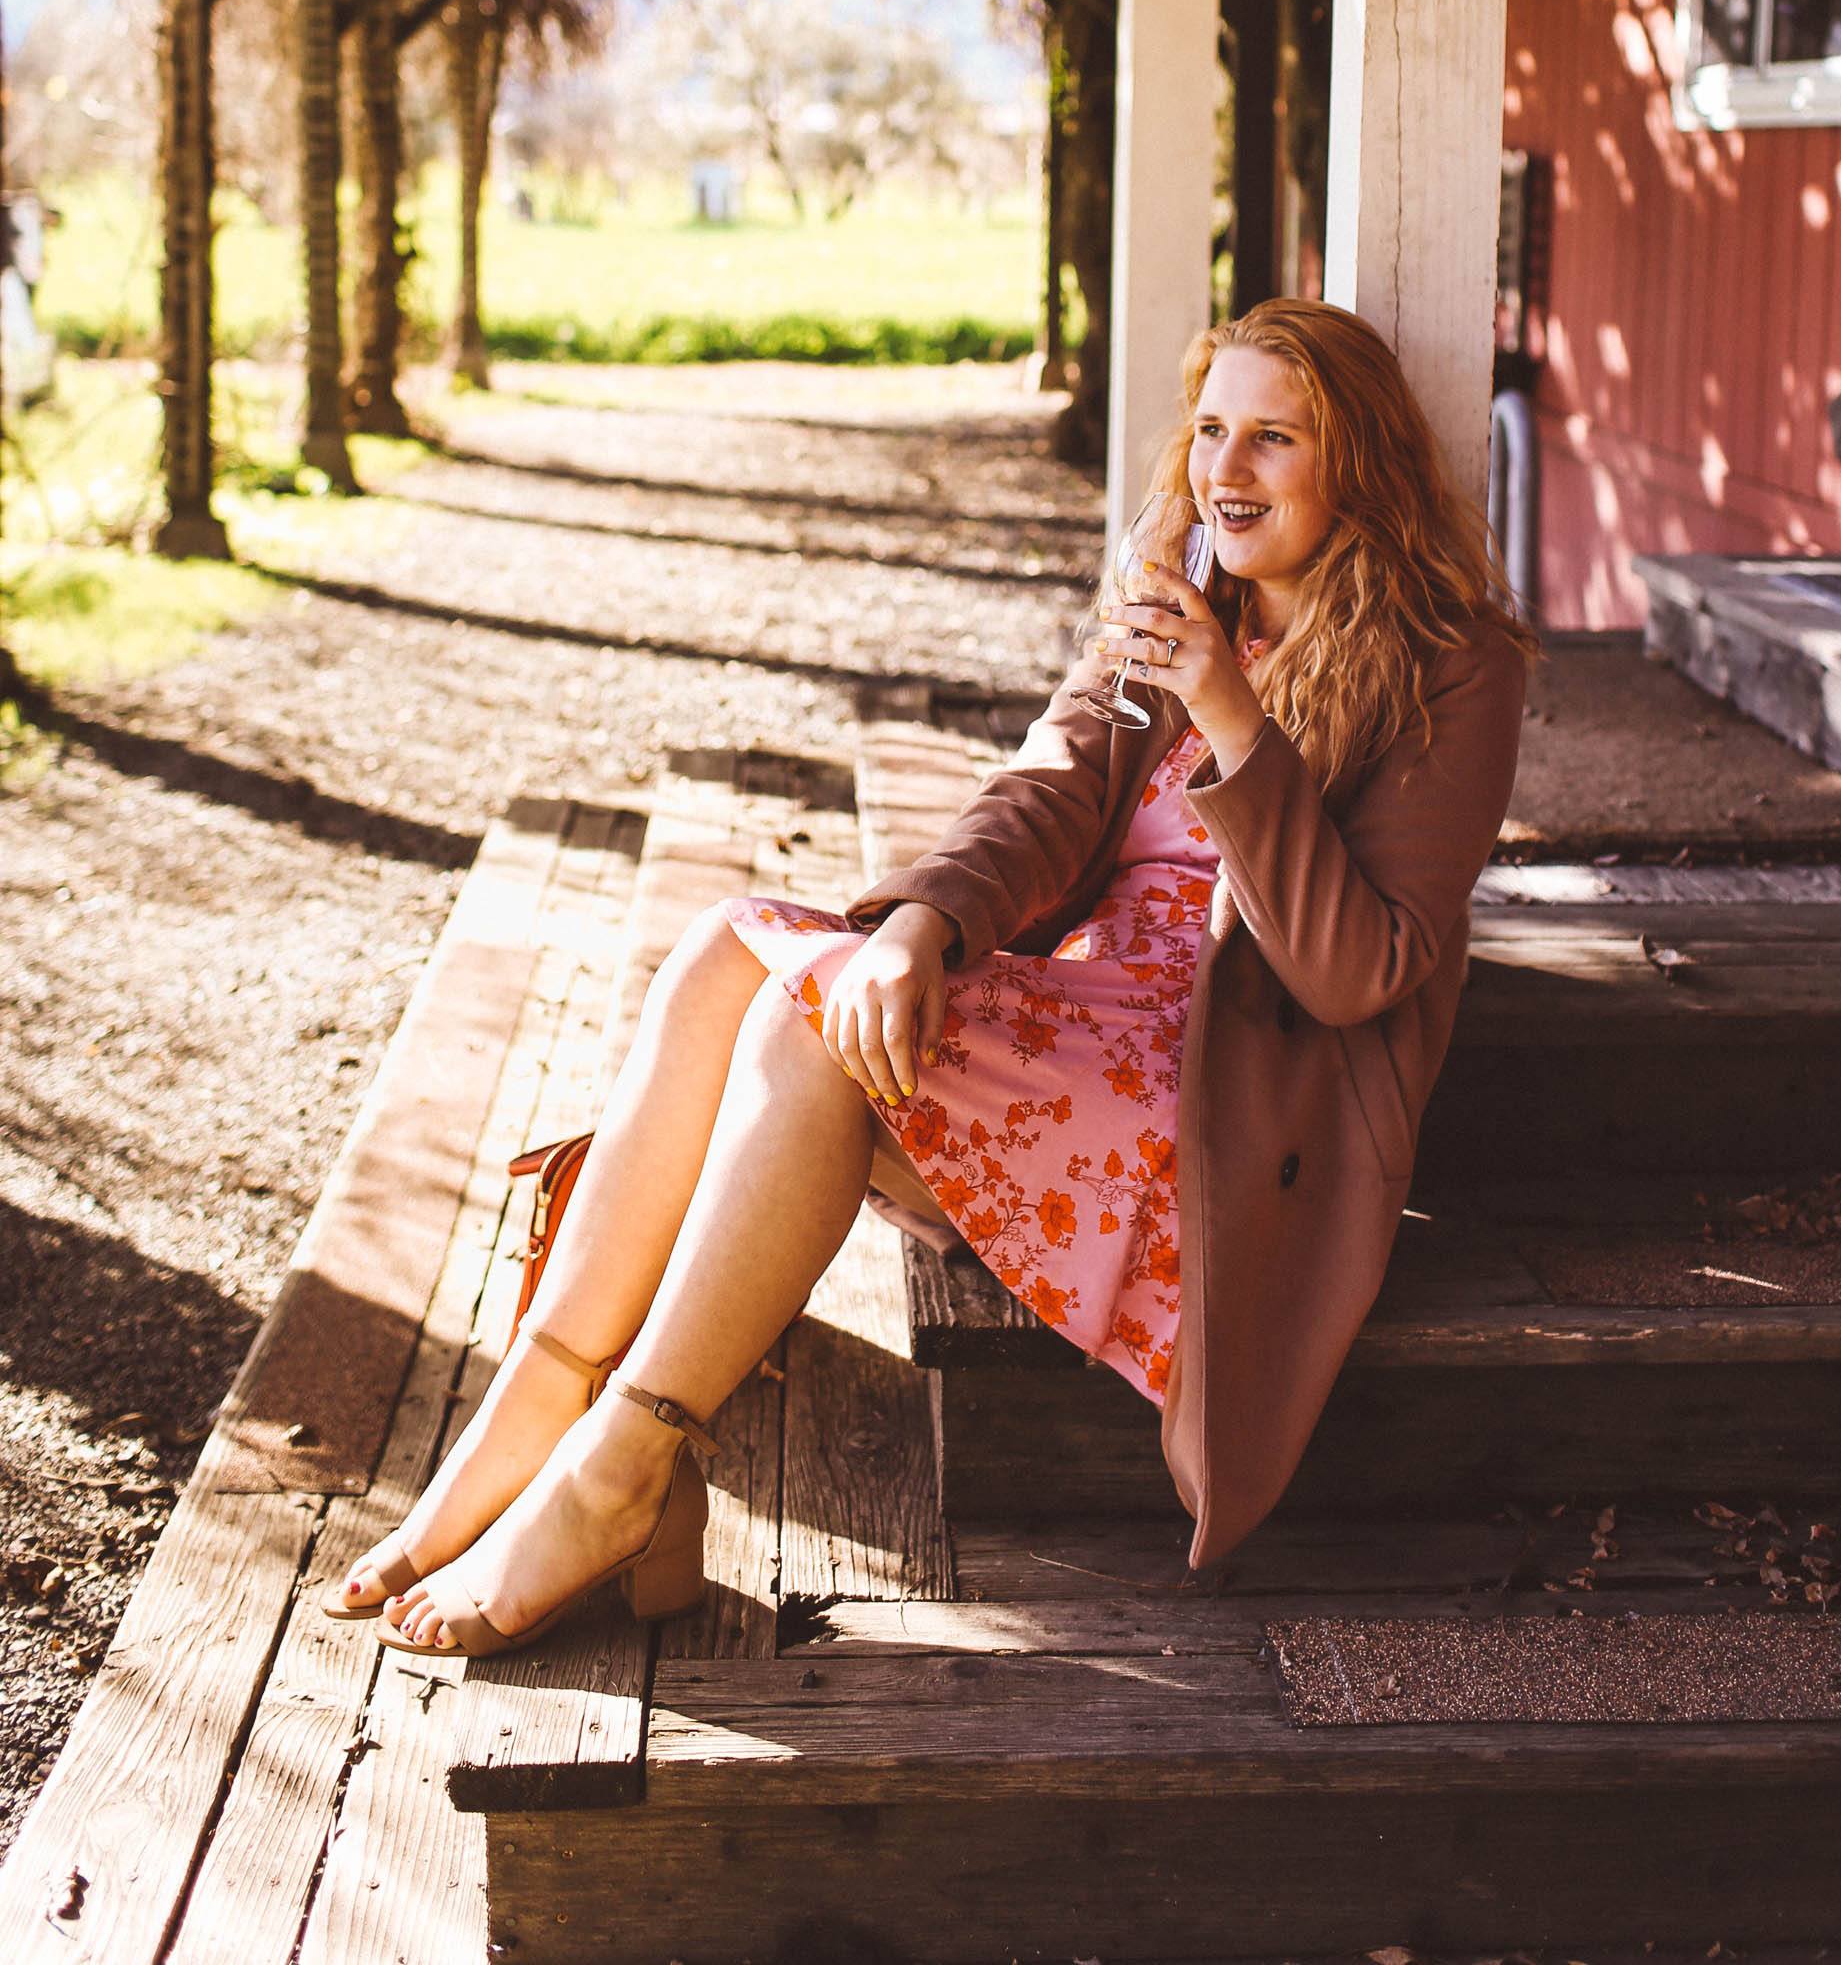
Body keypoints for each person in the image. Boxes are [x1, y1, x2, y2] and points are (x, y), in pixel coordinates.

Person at [337, 297, 1533, 1657]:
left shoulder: (1455, 668)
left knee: (805, 1035)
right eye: (1210, 431)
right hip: (1084, 1032)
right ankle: (544, 1426)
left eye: (1275, 437)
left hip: (1226, 1097)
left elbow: (1357, 973)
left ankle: (619, 1467)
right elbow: (1043, 794)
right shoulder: (1183, 604)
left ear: (1360, 460)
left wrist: (1231, 717)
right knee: (735, 943)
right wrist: (922, 927)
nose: (1226, 471)